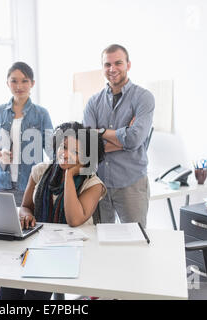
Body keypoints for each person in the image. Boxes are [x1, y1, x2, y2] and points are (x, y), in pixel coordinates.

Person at [0, 121, 107, 300]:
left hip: (72, 249)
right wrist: (26, 214)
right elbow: (26, 206)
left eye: (75, 152)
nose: (65, 154)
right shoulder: (41, 171)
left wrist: (69, 175)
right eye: (63, 147)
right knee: (9, 282)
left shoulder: (93, 184)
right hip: (38, 243)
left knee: (36, 289)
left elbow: (74, 219)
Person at [0, 61, 53, 299]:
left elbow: (52, 150)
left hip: (29, 187)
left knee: (30, 239)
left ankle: (30, 284)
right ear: (7, 83)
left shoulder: (41, 114)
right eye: (14, 80)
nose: (19, 85)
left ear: (32, 83)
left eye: (24, 81)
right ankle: (1, 285)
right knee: (5, 241)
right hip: (4, 185)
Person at [83, 44, 155, 227]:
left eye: (118, 63)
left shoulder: (143, 98)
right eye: (107, 64)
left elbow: (136, 138)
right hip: (98, 185)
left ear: (128, 65)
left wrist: (100, 132)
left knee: (135, 243)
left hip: (131, 184)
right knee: (100, 242)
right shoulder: (93, 102)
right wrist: (125, 139)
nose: (112, 69)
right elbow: (89, 147)